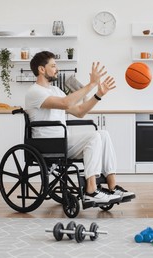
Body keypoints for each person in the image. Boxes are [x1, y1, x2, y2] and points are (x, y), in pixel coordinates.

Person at [25, 51, 135, 205]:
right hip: (47, 144)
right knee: (94, 137)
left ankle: (112, 186)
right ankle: (91, 190)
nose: (57, 69)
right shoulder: (34, 92)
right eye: (53, 66)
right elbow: (66, 103)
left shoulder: (56, 91)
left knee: (103, 134)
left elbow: (80, 111)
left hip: (62, 141)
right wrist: (91, 84)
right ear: (41, 69)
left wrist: (98, 94)